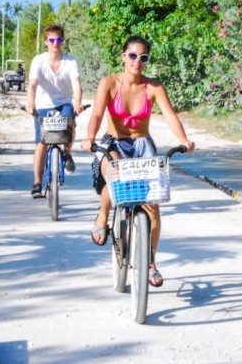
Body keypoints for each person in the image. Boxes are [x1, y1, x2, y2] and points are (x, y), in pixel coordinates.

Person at [81, 35, 195, 287]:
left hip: (143, 145)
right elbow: (98, 114)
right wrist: (89, 138)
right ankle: (103, 216)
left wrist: (184, 139)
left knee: (152, 204)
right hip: (114, 143)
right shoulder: (109, 83)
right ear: (123, 57)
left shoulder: (154, 87)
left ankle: (150, 261)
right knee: (116, 176)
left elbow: (170, 115)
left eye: (143, 57)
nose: (137, 61)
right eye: (132, 55)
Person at [26, 24, 84, 198]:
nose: (55, 43)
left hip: (64, 102)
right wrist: (30, 103)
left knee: (69, 125)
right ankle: (37, 182)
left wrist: (78, 102)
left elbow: (76, 84)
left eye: (58, 39)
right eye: (52, 40)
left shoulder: (70, 61)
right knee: (42, 142)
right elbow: (32, 85)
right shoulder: (38, 61)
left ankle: (66, 153)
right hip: (44, 104)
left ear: (62, 41)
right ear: (46, 42)